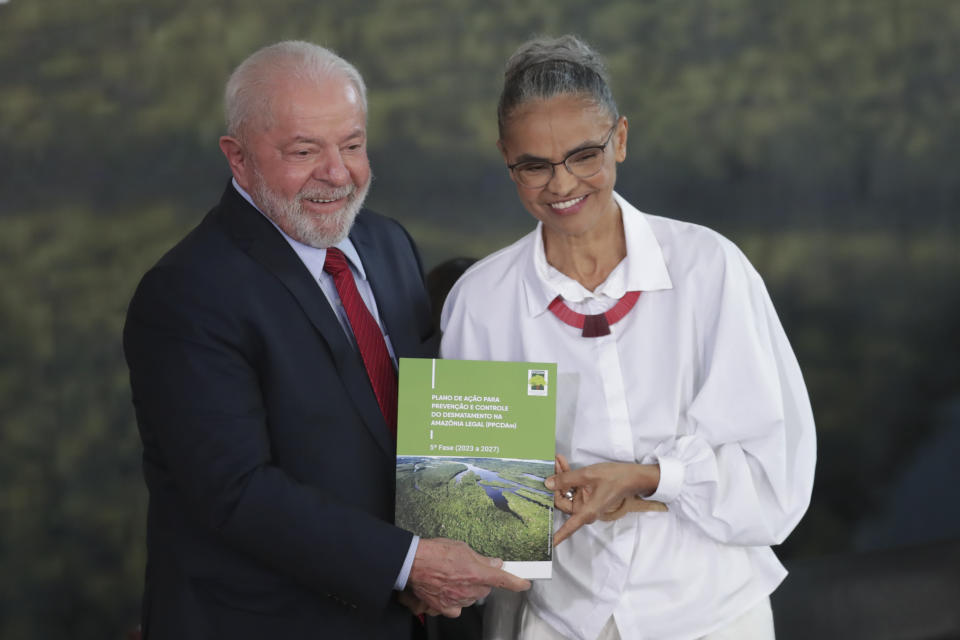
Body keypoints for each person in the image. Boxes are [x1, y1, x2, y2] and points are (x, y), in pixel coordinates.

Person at [123, 40, 529, 640]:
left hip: (401, 617)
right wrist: (409, 564)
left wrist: (506, 503)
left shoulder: (388, 244)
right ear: (238, 158)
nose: (338, 173)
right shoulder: (186, 293)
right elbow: (235, 492)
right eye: (305, 150)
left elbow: (428, 411)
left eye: (353, 145)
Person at [440, 35, 816, 640]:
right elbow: (474, 520)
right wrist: (524, 498)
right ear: (505, 158)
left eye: (584, 155)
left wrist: (647, 478)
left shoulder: (710, 268)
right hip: (563, 622)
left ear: (620, 137)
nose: (561, 185)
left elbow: (776, 478)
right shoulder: (481, 302)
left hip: (713, 616)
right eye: (534, 165)